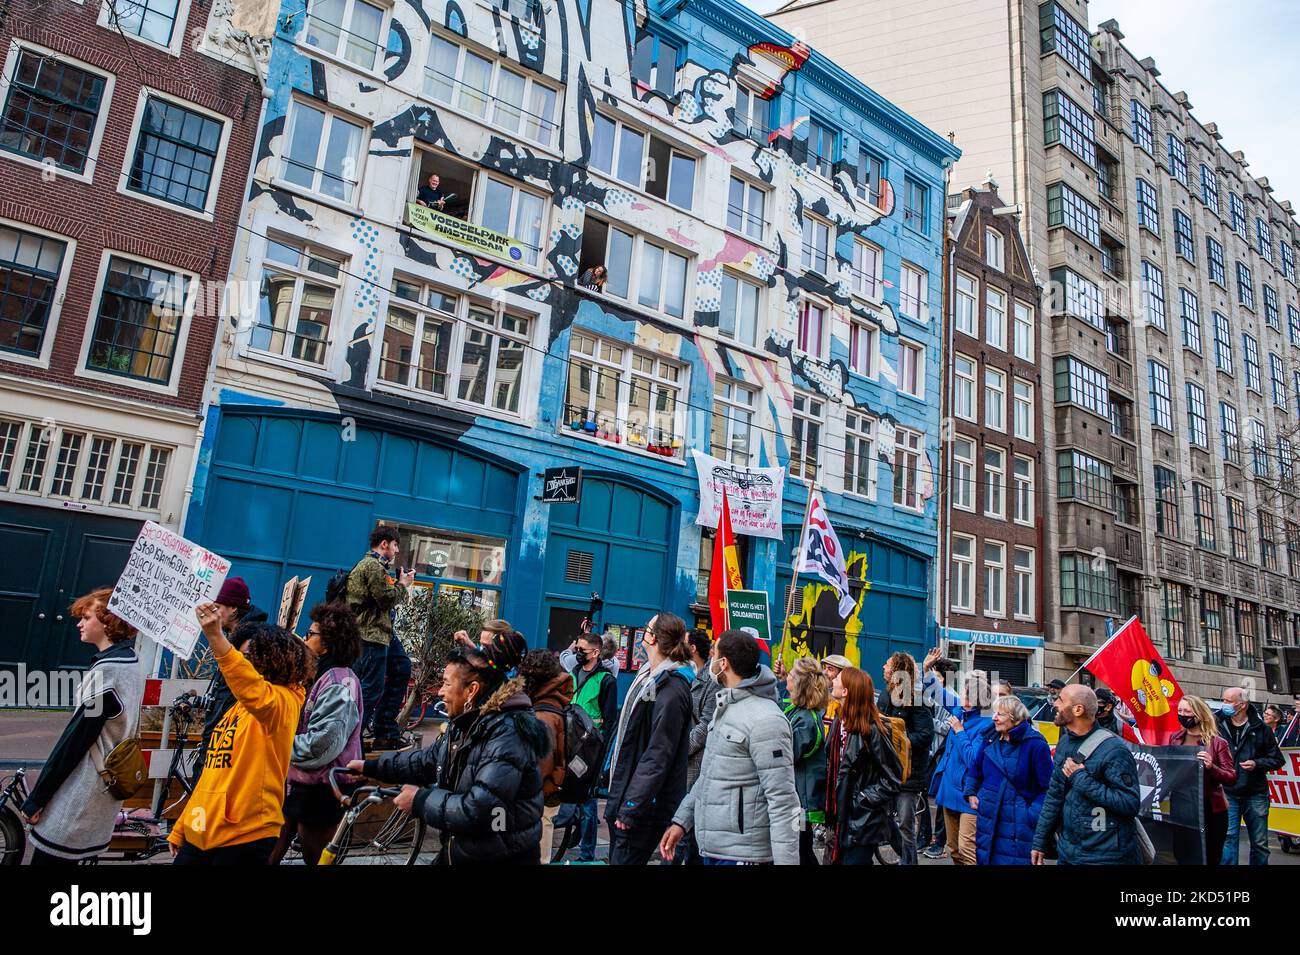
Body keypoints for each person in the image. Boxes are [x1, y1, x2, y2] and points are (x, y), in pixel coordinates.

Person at [350, 633, 549, 864]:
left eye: (446, 683)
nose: (440, 692)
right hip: (466, 849)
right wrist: (370, 767)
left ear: (471, 690)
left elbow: (480, 809)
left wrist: (420, 801)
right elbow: (427, 760)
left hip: (501, 856)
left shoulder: (507, 732)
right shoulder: (465, 723)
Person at [171, 606, 315, 864]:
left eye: (248, 656)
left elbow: (251, 687)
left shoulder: (284, 702)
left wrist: (216, 637)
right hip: (202, 831)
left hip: (248, 834)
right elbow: (211, 776)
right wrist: (183, 825)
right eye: (240, 655)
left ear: (272, 658)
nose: (241, 662)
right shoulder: (237, 708)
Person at [22, 588, 145, 864]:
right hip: (102, 794)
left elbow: (75, 741)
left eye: (86, 617)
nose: (79, 623)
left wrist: (37, 798)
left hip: (80, 795)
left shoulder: (108, 673)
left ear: (108, 622)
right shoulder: (132, 663)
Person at [660, 630, 801, 865]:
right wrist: (681, 822)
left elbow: (783, 801)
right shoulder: (725, 707)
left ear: (723, 664)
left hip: (744, 854)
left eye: (715, 652)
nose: (711, 657)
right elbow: (708, 777)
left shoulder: (767, 719)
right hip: (714, 849)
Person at [268, 602, 363, 865]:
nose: (305, 638)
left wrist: (277, 744)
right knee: (271, 850)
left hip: (323, 787)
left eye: (311, 634)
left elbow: (322, 744)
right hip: (301, 781)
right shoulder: (317, 674)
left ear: (329, 642)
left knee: (316, 857)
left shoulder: (338, 684)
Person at [604, 612, 695, 865]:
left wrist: (632, 804)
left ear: (652, 638)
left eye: (647, 628)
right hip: (626, 794)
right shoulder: (650, 676)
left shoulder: (673, 688)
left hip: (642, 806)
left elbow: (658, 753)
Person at [1031, 684, 1142, 866]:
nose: (1054, 704)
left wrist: (1080, 778)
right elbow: (1054, 797)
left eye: (1060, 700)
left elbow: (1129, 803)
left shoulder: (1114, 749)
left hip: (1106, 856)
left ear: (1078, 709)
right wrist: (1040, 841)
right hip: (1069, 852)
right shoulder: (1065, 742)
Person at [193, 576, 269, 782]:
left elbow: (241, 687)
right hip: (221, 729)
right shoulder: (236, 636)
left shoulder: (250, 641)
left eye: (218, 606)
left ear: (234, 608)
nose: (214, 612)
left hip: (227, 735)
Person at [346, 526, 415, 750]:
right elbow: (386, 600)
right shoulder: (371, 566)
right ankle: (351, 742)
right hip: (370, 635)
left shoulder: (378, 568)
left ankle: (385, 727)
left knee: (402, 667)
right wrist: (403, 585)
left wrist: (398, 583)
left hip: (382, 633)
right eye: (395, 545)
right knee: (370, 689)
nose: (396, 551)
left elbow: (383, 598)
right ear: (384, 544)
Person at [825, 667, 902, 864]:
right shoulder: (839, 721)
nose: (832, 680)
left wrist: (862, 799)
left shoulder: (873, 730)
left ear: (846, 691)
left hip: (863, 821)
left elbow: (893, 778)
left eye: (838, 679)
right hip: (841, 816)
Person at [963, 695, 1052, 865]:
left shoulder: (1036, 744)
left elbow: (1047, 788)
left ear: (1015, 718)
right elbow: (976, 767)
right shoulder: (990, 738)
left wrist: (1031, 815)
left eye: (1000, 714)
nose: (994, 718)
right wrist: (971, 791)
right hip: (988, 817)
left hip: (1019, 825)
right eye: (995, 713)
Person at [929, 671, 992, 865]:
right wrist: (926, 671)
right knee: (954, 848)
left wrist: (959, 731)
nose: (962, 698)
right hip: (949, 788)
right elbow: (938, 693)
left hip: (970, 793)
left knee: (967, 847)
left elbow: (974, 760)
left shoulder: (987, 723)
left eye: (966, 695)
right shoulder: (959, 712)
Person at [1217, 685, 1284, 865]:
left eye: (1228, 701)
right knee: (1228, 838)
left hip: (1255, 792)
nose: (1224, 704)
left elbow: (1277, 759)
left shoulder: (1261, 728)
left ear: (1243, 705)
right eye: (1223, 700)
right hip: (1228, 791)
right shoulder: (1217, 723)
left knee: (1260, 842)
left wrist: (1257, 763)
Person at [565, 630, 617, 861]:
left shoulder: (606, 681)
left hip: (590, 749)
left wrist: (602, 753)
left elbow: (609, 721)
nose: (577, 653)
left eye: (582, 650)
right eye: (577, 649)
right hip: (570, 742)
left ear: (596, 653)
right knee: (571, 794)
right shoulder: (575, 672)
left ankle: (587, 854)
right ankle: (574, 835)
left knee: (588, 802)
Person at [877, 651, 934, 865]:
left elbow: (926, 735)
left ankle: (909, 862)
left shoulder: (917, 698)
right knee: (883, 818)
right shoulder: (885, 695)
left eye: (888, 664)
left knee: (906, 825)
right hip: (887, 769)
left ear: (897, 670)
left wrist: (899, 740)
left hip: (908, 774)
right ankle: (903, 857)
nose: (883, 666)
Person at [1170, 695, 1236, 866]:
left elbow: (1231, 777)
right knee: (1183, 855)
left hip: (1210, 809)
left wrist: (1211, 767)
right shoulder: (1175, 738)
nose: (1182, 715)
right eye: (1180, 711)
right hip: (1183, 808)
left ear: (1199, 715)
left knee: (1210, 856)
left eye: (1187, 711)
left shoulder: (1217, 743)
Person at [520, 649, 572, 861]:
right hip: (546, 790)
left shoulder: (545, 714)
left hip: (542, 792)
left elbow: (543, 763)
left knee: (540, 848)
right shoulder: (551, 700)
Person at [782, 656, 830, 864]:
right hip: (800, 797)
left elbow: (787, 755)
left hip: (801, 802)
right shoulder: (801, 712)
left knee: (800, 847)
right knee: (801, 846)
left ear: (799, 684)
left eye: (791, 675)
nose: (787, 678)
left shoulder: (805, 721)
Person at [677, 629, 716, 865]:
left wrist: (682, 749)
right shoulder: (686, 673)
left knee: (689, 832)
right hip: (684, 762)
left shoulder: (710, 680)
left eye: (684, 643)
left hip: (696, 762)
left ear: (692, 649)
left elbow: (705, 724)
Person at [920, 650, 960, 858]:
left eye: (935, 675)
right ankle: (925, 836)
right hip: (929, 752)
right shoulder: (929, 697)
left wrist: (927, 723)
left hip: (941, 754)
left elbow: (948, 727)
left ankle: (939, 841)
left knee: (940, 798)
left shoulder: (952, 698)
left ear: (943, 678)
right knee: (923, 794)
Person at [821, 654, 853, 730]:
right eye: (824, 668)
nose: (824, 672)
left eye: (830, 669)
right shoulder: (819, 698)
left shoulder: (847, 706)